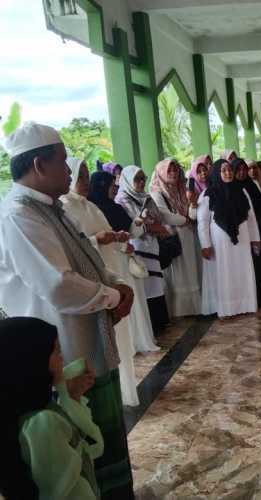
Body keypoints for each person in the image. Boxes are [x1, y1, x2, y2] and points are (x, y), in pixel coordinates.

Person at [0, 122, 135, 498]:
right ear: (39, 165)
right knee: (72, 448)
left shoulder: (54, 208)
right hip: (60, 353)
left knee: (101, 437)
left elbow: (87, 259)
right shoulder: (18, 216)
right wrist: (112, 296)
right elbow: (58, 284)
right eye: (62, 160)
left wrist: (118, 284)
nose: (69, 168)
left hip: (85, 340)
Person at [62, 158, 143, 406]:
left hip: (109, 273)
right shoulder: (64, 208)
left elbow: (106, 235)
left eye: (87, 176)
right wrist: (98, 239)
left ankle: (124, 393)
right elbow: (74, 248)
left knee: (118, 339)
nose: (85, 182)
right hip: (90, 285)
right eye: (80, 176)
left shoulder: (91, 206)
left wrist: (118, 238)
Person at [1, 317, 104, 500]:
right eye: (56, 352)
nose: (62, 358)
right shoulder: (44, 423)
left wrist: (72, 396)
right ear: (32, 361)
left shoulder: (19, 411)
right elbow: (87, 452)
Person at [87, 171, 160, 355]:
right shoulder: (94, 209)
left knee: (133, 299)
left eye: (116, 185)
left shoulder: (115, 207)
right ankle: (129, 343)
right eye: (112, 186)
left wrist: (138, 221)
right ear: (102, 186)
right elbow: (99, 239)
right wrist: (120, 246)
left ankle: (137, 339)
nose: (115, 189)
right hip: (112, 261)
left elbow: (130, 232)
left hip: (125, 258)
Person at [198, 160, 261, 318]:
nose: (228, 173)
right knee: (225, 271)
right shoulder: (208, 193)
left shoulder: (241, 190)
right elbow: (202, 221)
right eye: (224, 170)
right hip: (220, 241)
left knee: (242, 269)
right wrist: (205, 244)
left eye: (229, 170)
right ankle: (227, 307)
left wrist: (255, 239)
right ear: (217, 173)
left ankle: (246, 304)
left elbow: (251, 216)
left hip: (243, 236)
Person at [116, 165, 171, 335]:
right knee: (144, 282)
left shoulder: (147, 197)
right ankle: (151, 325)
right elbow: (135, 223)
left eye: (143, 179)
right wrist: (155, 227)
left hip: (152, 244)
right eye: (137, 179)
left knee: (155, 283)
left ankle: (160, 321)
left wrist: (156, 226)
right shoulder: (122, 199)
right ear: (127, 180)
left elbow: (157, 218)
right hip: (137, 245)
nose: (141, 183)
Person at [150, 159, 202, 317]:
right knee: (179, 273)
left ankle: (195, 308)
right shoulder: (156, 192)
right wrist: (185, 220)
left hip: (189, 236)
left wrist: (192, 205)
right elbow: (165, 215)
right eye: (169, 170)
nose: (173, 173)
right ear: (161, 173)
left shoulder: (182, 189)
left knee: (191, 271)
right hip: (173, 238)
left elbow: (192, 212)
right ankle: (180, 310)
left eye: (175, 170)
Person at [232, 157, 261, 307]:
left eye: (244, 170)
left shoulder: (252, 185)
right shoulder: (231, 187)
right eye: (238, 170)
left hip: (256, 229)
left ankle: (259, 298)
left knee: (257, 263)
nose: (241, 173)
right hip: (240, 232)